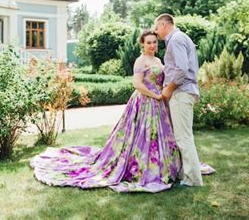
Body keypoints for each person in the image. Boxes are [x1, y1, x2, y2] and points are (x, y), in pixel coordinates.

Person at [30, 30, 183, 193]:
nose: (152, 45)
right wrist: (155, 95)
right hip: (145, 100)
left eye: (154, 42)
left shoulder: (158, 60)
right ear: (142, 44)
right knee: (142, 135)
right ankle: (141, 168)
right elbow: (137, 84)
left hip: (158, 103)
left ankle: (162, 167)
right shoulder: (140, 61)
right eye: (149, 42)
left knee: (158, 134)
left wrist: (163, 95)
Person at [154, 13, 204, 187]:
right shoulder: (179, 38)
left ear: (164, 24)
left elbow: (182, 69)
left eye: (157, 27)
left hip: (180, 93)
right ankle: (187, 174)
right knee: (182, 136)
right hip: (183, 93)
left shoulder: (175, 39)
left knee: (184, 137)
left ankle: (193, 179)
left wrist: (168, 89)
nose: (156, 32)